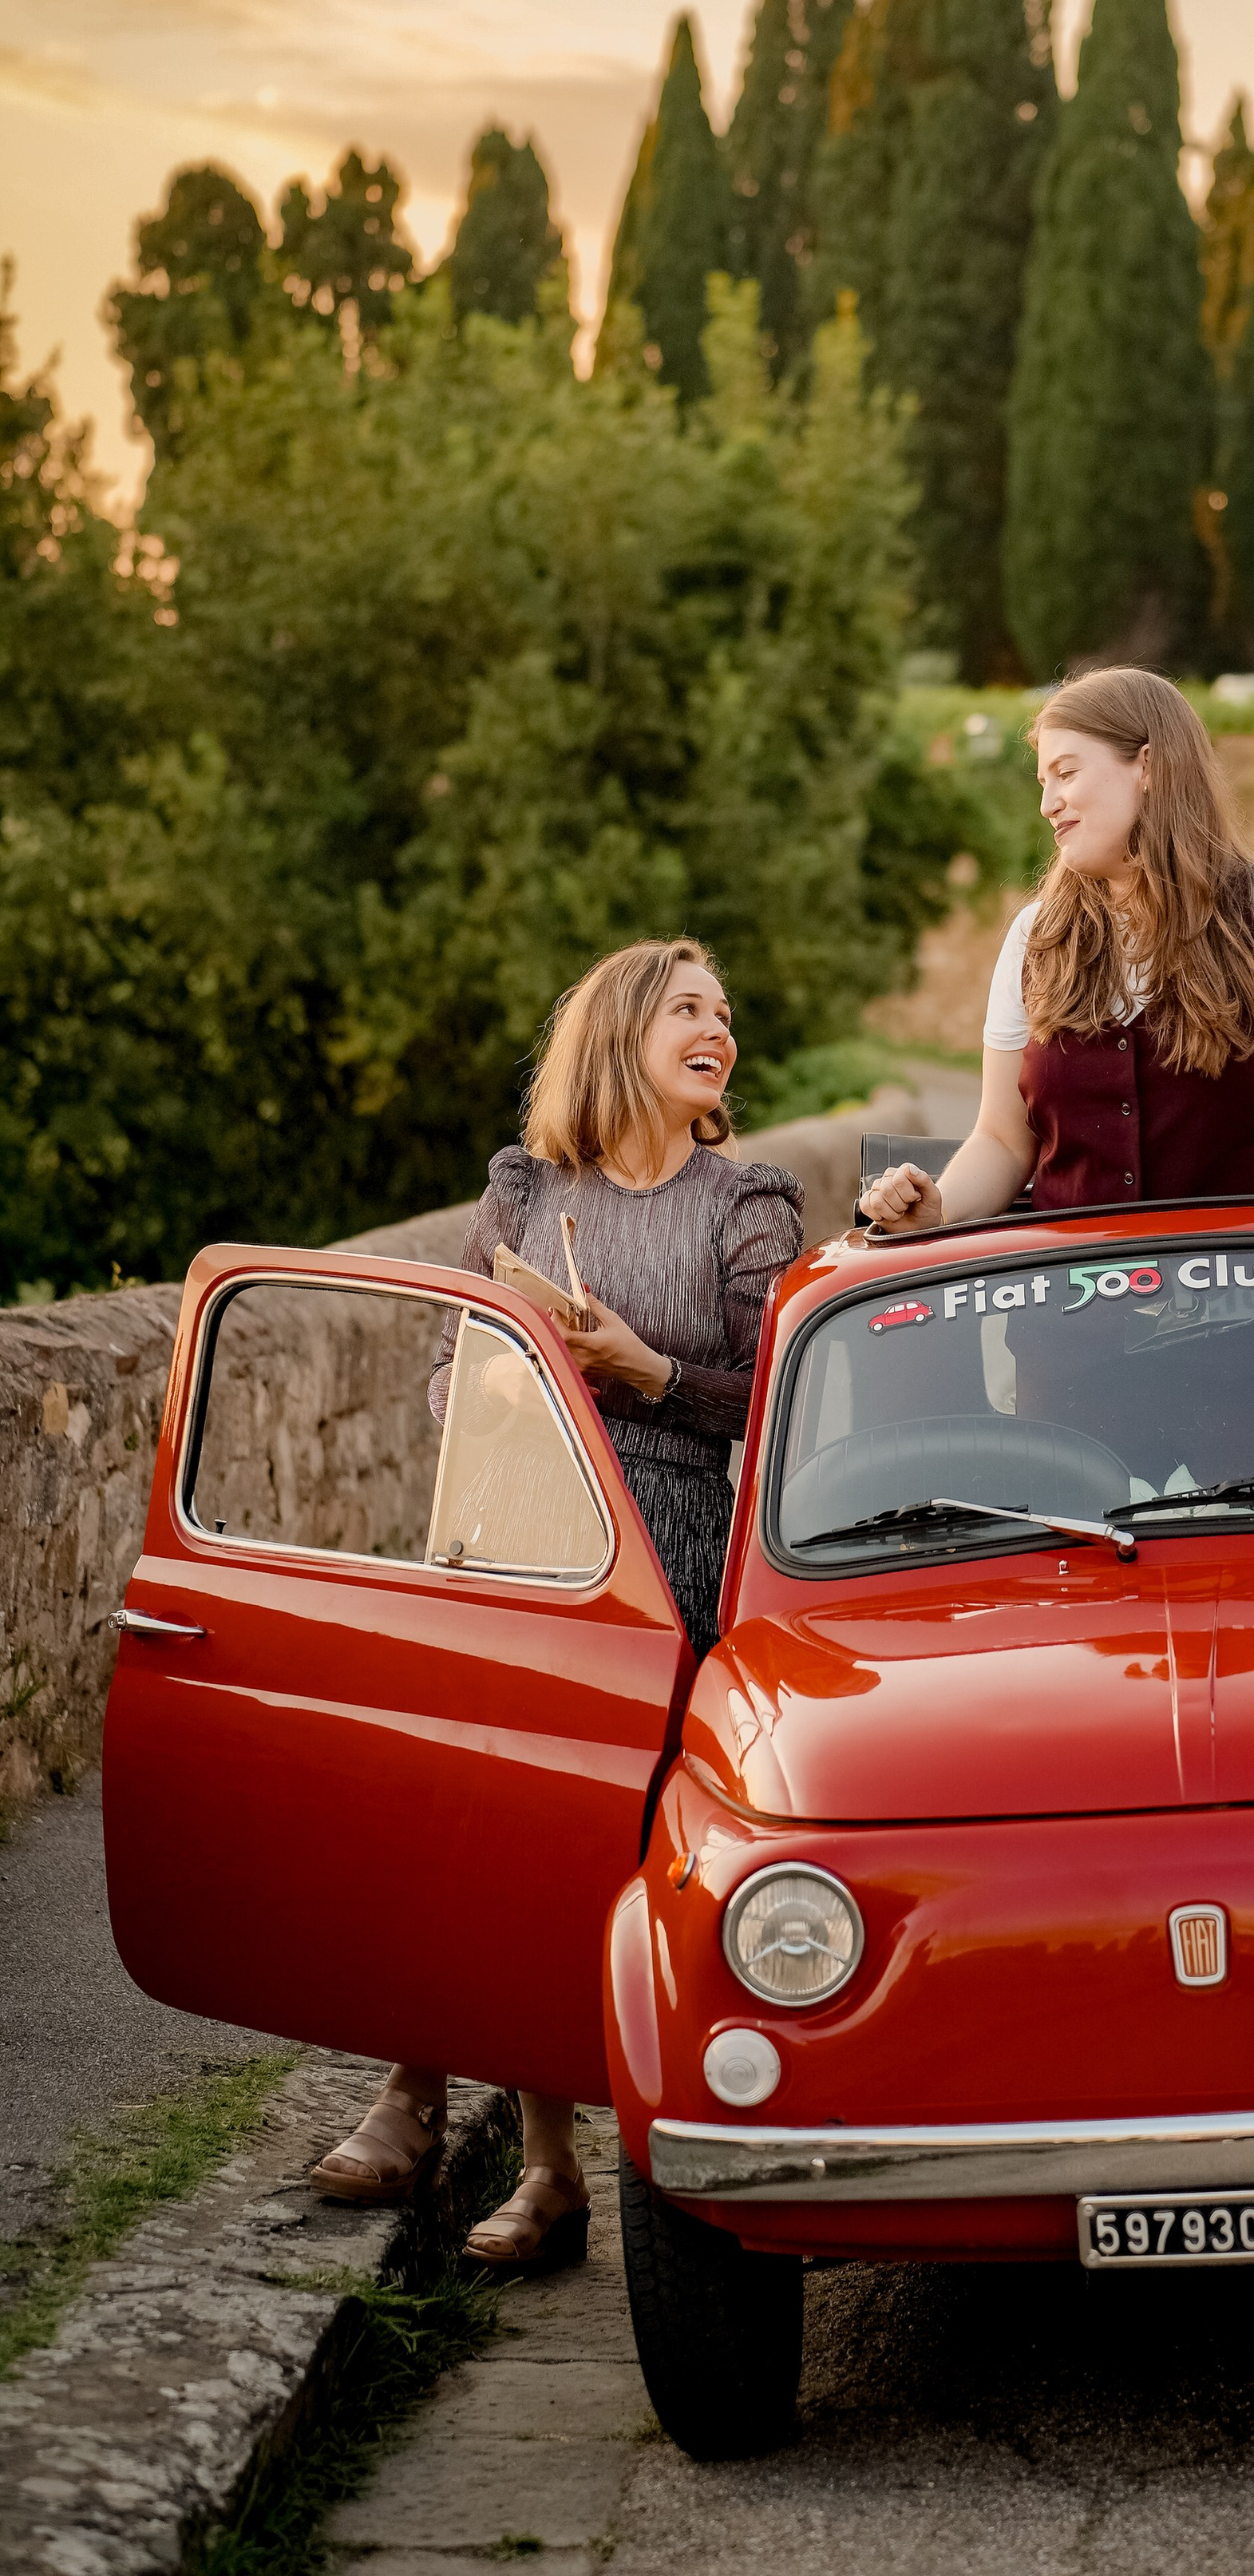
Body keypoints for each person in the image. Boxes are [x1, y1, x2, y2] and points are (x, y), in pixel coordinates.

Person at [309, 936, 802, 2268]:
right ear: (622, 1033)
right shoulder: (523, 1189)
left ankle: (538, 2158)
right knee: (467, 1808)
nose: (719, 1031)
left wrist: (640, 1369)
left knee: (588, 1839)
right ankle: (456, 2112)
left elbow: (786, 1394)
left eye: (726, 1013)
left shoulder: (747, 1201)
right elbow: (442, 1369)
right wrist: (511, 1381)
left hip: (662, 1543)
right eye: (689, 1009)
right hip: (521, 1517)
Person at [859, 666, 1254, 1445]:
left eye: (1067, 773)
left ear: (1148, 765)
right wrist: (937, 1207)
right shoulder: (1035, 939)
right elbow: (1005, 1138)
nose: (1047, 803)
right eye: (1043, 781)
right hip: (1076, 1374)